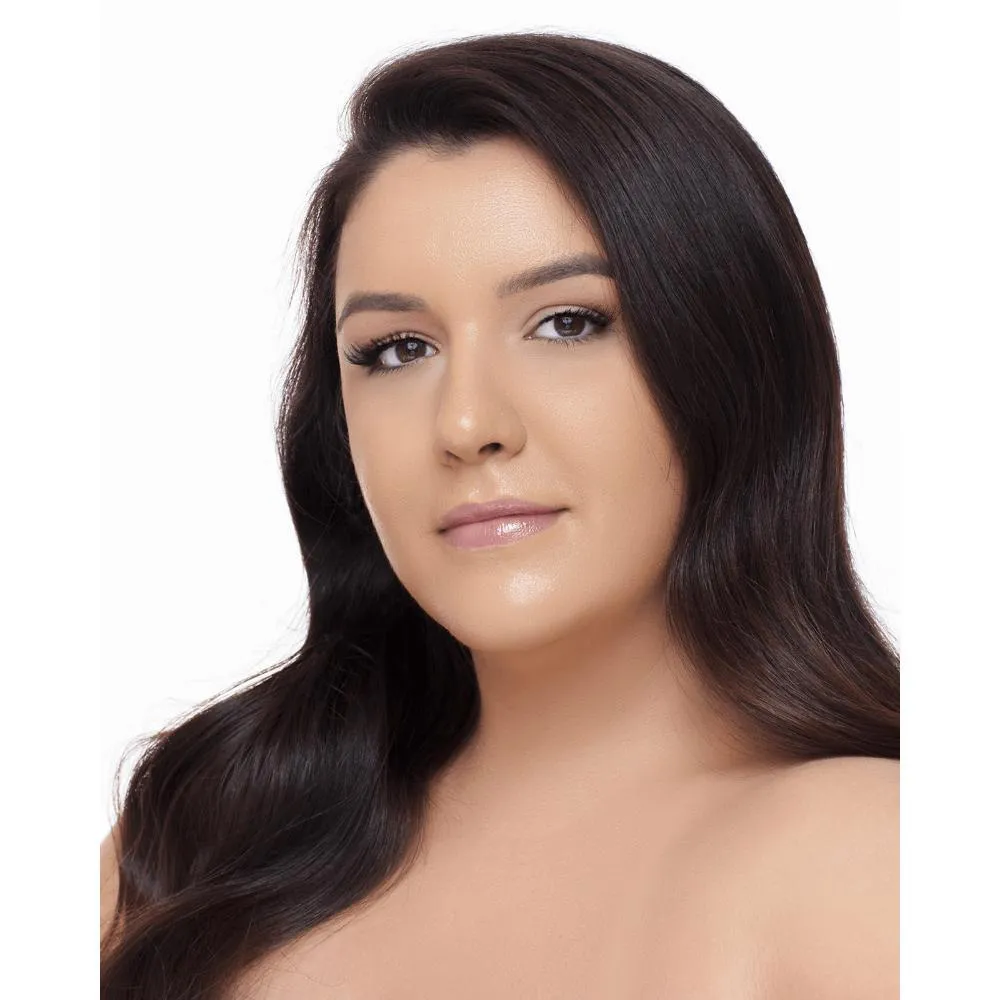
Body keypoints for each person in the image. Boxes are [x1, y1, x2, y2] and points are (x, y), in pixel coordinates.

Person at [100, 30, 899, 1000]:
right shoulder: (191, 853)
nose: (467, 424)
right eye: (398, 349)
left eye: (568, 322)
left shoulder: (873, 863)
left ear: (733, 363)